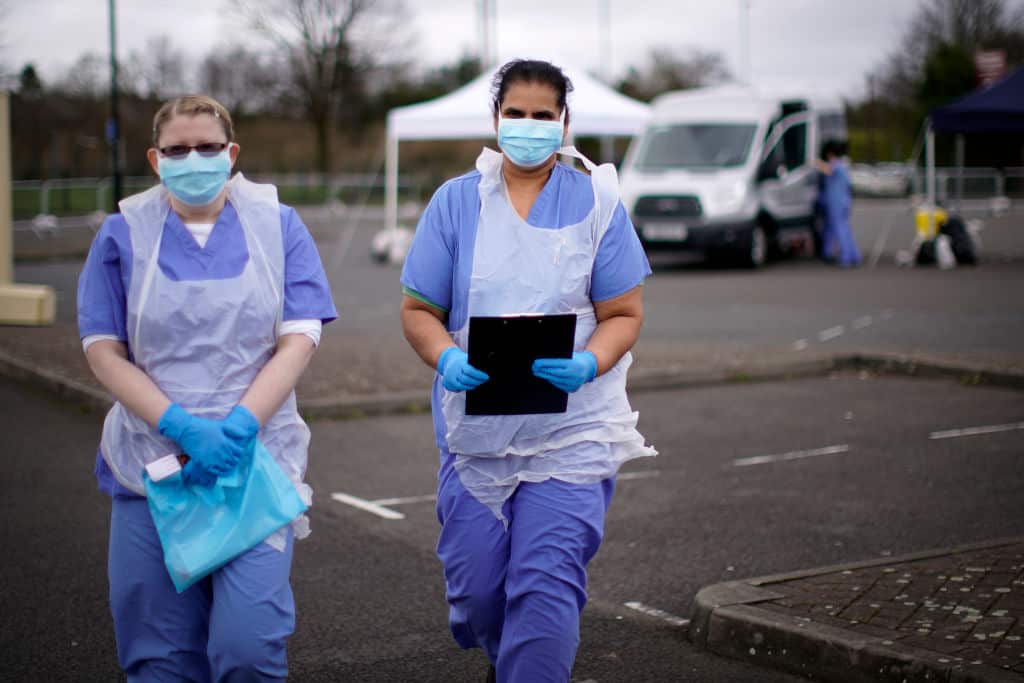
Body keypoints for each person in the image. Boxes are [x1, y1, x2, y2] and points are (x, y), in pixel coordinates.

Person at [399, 59, 657, 683]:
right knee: (481, 596)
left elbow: (623, 312)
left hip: (572, 430)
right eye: (516, 112)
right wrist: (445, 355)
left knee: (545, 590)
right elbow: (418, 311)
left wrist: (590, 362)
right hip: (477, 438)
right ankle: (502, 660)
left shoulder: (596, 201)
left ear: (565, 122)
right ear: (496, 119)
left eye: (545, 114)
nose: (530, 125)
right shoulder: (456, 203)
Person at [77, 94, 336, 681]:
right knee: (158, 655)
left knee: (249, 647)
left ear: (232, 152)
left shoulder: (276, 224)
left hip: (254, 462)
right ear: (154, 158)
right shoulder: (121, 234)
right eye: (177, 149)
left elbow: (299, 337)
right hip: (153, 467)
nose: (193, 158)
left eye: (207, 147)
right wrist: (180, 424)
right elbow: (103, 350)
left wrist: (241, 424)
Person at [815, 140, 861, 267]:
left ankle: (846, 257)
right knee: (844, 229)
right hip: (844, 202)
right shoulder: (844, 165)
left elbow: (828, 170)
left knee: (840, 229)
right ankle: (854, 255)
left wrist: (815, 163)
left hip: (837, 203)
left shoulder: (836, 165)